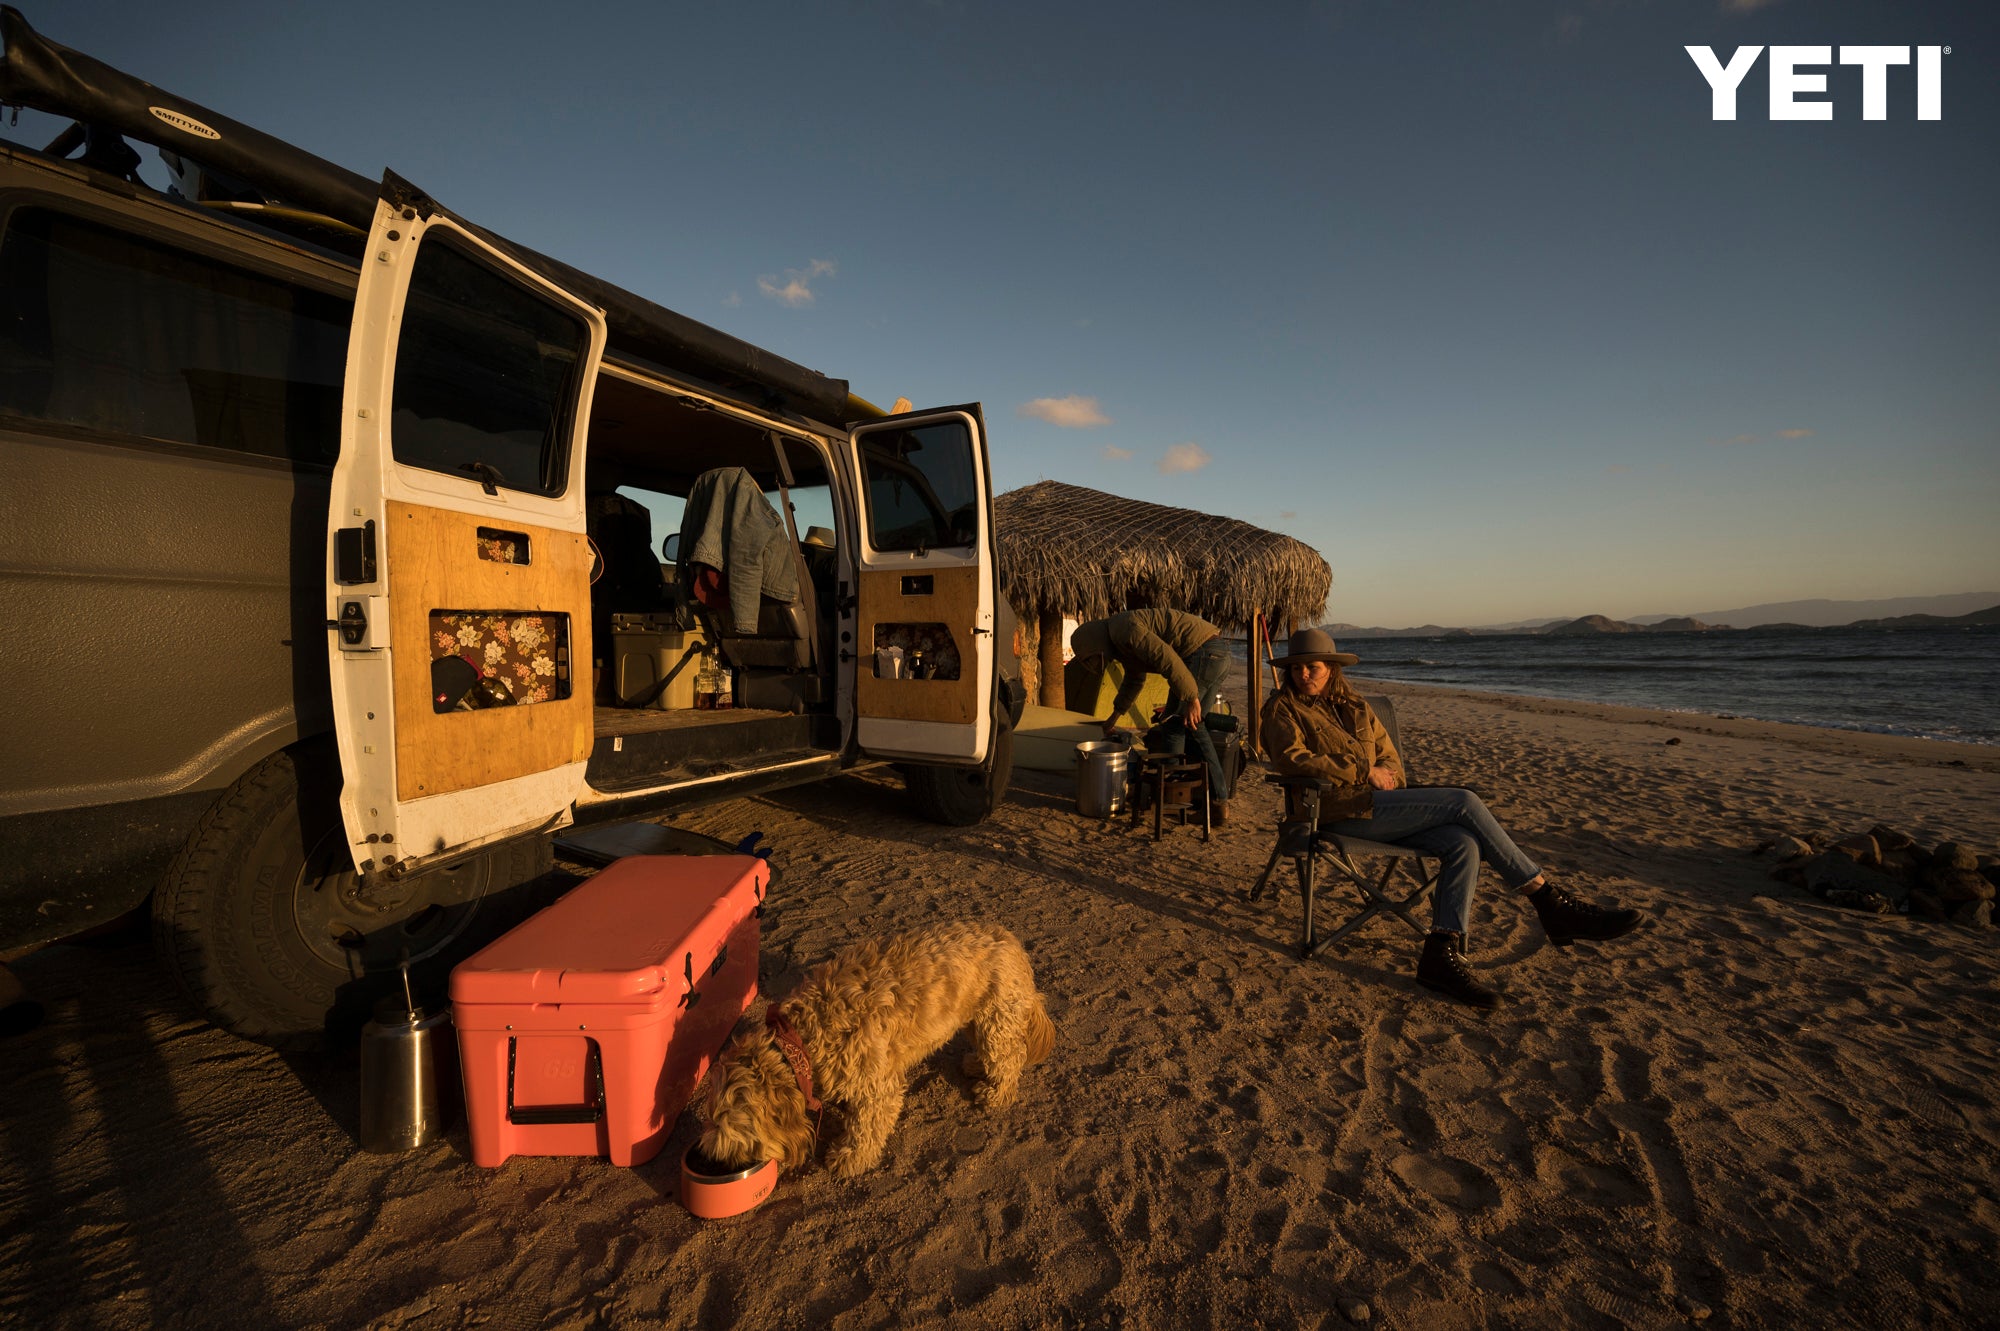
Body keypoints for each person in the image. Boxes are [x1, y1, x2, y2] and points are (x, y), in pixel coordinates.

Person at [1260, 628, 1640, 1007]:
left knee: (1463, 842)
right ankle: (1548, 901)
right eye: (1296, 669)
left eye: (1312, 667)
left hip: (1384, 808)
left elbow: (1390, 758)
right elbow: (1293, 759)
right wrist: (1362, 771)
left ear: (1331, 668)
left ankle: (1440, 955)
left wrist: (1384, 775)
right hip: (1334, 812)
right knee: (1463, 801)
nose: (1303, 675)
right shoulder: (1282, 709)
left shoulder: (1356, 706)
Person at [1069, 608, 1233, 821]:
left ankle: (1170, 798)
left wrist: (1191, 697)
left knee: (1173, 726)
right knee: (1193, 726)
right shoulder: (1121, 641)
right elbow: (1134, 681)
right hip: (1217, 654)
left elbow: (1166, 658)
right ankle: (1217, 801)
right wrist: (1114, 717)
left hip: (1203, 653)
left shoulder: (1124, 630)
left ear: (1094, 642)